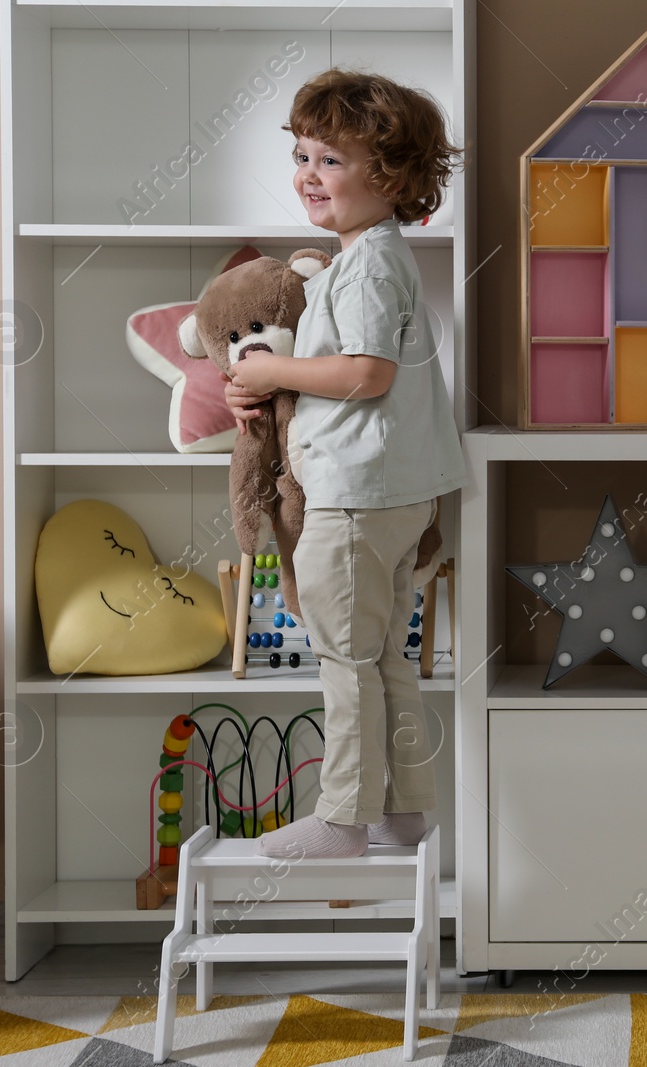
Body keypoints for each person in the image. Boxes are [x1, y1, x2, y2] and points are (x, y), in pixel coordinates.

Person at [223, 69, 466, 859]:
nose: (307, 173)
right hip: (392, 492)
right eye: (302, 156)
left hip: (358, 495)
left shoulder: (368, 265)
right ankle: (404, 808)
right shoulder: (363, 260)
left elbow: (365, 374)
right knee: (383, 649)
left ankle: (345, 817)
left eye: (330, 159)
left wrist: (268, 374)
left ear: (388, 174)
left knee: (343, 652)